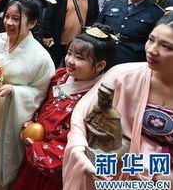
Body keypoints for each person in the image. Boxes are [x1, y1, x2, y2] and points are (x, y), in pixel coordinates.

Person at [63, 13, 173, 189]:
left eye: (166, 46)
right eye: (151, 40)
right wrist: (78, 149)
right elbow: (81, 113)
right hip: (113, 171)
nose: (152, 49)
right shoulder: (123, 75)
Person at [12, 24, 117, 190]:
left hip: (52, 166)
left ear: (100, 65)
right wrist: (31, 122)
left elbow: (76, 149)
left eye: (80, 58)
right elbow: (42, 103)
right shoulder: (61, 76)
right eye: (69, 53)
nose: (70, 61)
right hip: (33, 150)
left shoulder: (97, 103)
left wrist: (35, 147)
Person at [0, 0, 55, 189]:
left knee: (1, 152)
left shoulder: (41, 57)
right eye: (7, 16)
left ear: (33, 23)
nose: (9, 23)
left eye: (16, 19)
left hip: (10, 112)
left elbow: (40, 92)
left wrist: (15, 90)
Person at [97, 0, 165, 64]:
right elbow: (97, 27)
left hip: (132, 57)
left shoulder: (156, 13)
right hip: (104, 51)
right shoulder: (112, 4)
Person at [43, 0, 100, 66]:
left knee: (72, 66)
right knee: (53, 64)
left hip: (79, 40)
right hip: (58, 38)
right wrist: (47, 35)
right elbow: (48, 16)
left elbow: (95, 17)